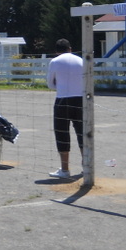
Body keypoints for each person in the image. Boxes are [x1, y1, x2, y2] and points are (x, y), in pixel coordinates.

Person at [46, 38, 84, 179]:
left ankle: (65, 169)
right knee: (82, 132)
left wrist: (60, 85)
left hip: (62, 99)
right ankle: (86, 165)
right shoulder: (81, 60)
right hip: (80, 99)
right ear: (70, 48)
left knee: (62, 133)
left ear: (57, 51)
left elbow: (50, 84)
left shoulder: (55, 62)